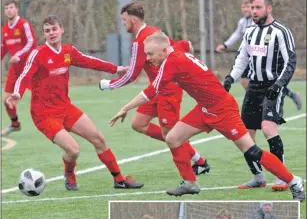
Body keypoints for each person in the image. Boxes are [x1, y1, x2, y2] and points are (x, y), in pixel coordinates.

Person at [109, 30, 304, 201]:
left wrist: (125, 108)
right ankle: (190, 183)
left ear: (163, 50)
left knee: (251, 151)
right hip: (205, 108)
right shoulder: (177, 52)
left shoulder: (173, 61)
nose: (148, 59)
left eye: (150, 54)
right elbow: (187, 44)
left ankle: (294, 181)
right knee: (173, 138)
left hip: (223, 109)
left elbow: (151, 91)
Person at [6, 15, 143, 190]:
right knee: (73, 150)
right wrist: (17, 92)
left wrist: (115, 69)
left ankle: (119, 179)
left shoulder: (68, 51)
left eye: (54, 29)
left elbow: (89, 62)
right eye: (47, 31)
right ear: (44, 34)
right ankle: (69, 173)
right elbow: (24, 75)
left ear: (61, 29)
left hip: (65, 107)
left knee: (99, 139)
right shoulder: (38, 54)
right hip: (44, 114)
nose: (51, 33)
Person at [99, 1, 210, 176]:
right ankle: (196, 159)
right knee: (138, 124)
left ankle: (198, 163)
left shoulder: (140, 41)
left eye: (124, 19)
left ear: (133, 20)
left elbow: (131, 76)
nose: (123, 23)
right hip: (157, 89)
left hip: (168, 90)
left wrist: (106, 85)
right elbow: (183, 45)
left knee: (171, 135)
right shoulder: (155, 32)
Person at [223, 0, 300, 191]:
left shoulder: (281, 31)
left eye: (258, 8)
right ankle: (258, 177)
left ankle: (282, 177)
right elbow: (242, 58)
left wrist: (278, 85)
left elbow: (290, 62)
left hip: (273, 86)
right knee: (244, 135)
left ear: (269, 8)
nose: (254, 12)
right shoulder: (249, 31)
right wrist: (230, 78)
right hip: (253, 87)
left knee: (268, 128)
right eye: (253, 8)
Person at [215, 0, 302, 109]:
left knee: (267, 81)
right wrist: (225, 45)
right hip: (249, 55)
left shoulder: (258, 21)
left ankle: (288, 95)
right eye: (245, 7)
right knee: (245, 81)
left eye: (249, 7)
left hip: (261, 56)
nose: (247, 10)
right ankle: (260, 99)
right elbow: (237, 34)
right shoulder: (242, 22)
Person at [1, 0, 37, 136]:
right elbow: (4, 47)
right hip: (15, 70)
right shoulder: (4, 27)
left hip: (30, 67)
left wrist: (19, 55)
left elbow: (31, 43)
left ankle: (61, 118)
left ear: (16, 9)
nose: (9, 10)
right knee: (6, 100)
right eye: (6, 8)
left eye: (11, 7)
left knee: (43, 97)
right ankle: (15, 124)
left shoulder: (24, 24)